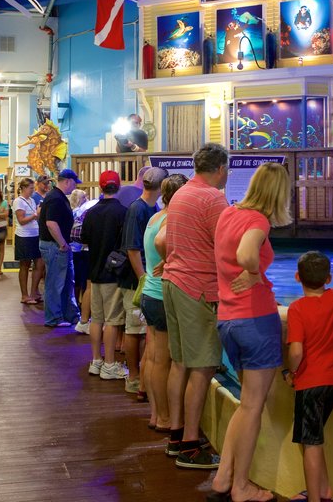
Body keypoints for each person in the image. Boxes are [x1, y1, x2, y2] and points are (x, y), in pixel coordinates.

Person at [208, 162, 291, 501]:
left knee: (245, 404)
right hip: (255, 319)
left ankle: (223, 478)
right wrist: (255, 273)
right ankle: (241, 486)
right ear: (279, 193)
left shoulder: (228, 213)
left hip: (227, 318)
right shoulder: (258, 221)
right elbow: (245, 254)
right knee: (253, 407)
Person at [162, 143, 229, 470]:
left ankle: (176, 435)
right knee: (203, 367)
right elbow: (226, 245)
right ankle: (191, 444)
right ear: (220, 168)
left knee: (180, 363)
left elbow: (163, 241)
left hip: (172, 283)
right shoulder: (212, 197)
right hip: (197, 287)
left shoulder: (182, 193)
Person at [282, 251, 333, 502]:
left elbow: (296, 351)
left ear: (297, 277)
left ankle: (315, 498)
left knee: (311, 442)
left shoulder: (297, 309)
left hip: (311, 383)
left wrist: (290, 372)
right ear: (329, 277)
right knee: (313, 438)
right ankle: (324, 490)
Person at [145, 174, 188, 430]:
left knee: (152, 357)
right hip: (162, 294)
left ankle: (155, 413)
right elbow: (162, 243)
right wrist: (170, 261)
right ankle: (164, 417)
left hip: (150, 293)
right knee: (164, 360)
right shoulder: (172, 218)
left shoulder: (155, 216)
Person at [121, 167, 169, 395]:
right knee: (133, 329)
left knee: (143, 331)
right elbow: (132, 249)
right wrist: (143, 277)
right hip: (137, 279)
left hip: (146, 277)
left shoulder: (153, 208)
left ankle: (142, 381)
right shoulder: (137, 209)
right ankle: (133, 376)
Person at [81, 171, 128, 380]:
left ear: (101, 188)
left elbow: (83, 238)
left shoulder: (91, 212)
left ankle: (96, 361)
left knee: (96, 318)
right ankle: (109, 364)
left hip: (95, 270)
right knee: (112, 320)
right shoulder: (123, 212)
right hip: (113, 273)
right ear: (118, 187)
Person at [38, 169, 83, 327]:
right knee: (55, 283)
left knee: (64, 282)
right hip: (55, 246)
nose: (74, 187)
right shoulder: (56, 198)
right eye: (74, 183)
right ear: (67, 181)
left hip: (56, 246)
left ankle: (69, 315)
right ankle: (53, 318)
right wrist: (62, 243)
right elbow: (51, 223)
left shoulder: (56, 196)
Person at [13, 179, 43, 304]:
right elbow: (21, 220)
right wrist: (35, 215)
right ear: (24, 188)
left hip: (35, 234)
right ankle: (24, 295)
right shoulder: (18, 201)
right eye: (30, 188)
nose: (32, 190)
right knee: (24, 265)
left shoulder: (31, 200)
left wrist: (38, 213)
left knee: (39, 263)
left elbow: (36, 217)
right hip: (24, 236)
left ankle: (34, 291)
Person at [69, 189, 94, 334]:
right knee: (85, 282)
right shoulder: (83, 212)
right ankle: (84, 310)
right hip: (81, 249)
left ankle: (77, 305)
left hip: (72, 249)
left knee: (76, 281)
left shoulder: (73, 211)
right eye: (85, 196)